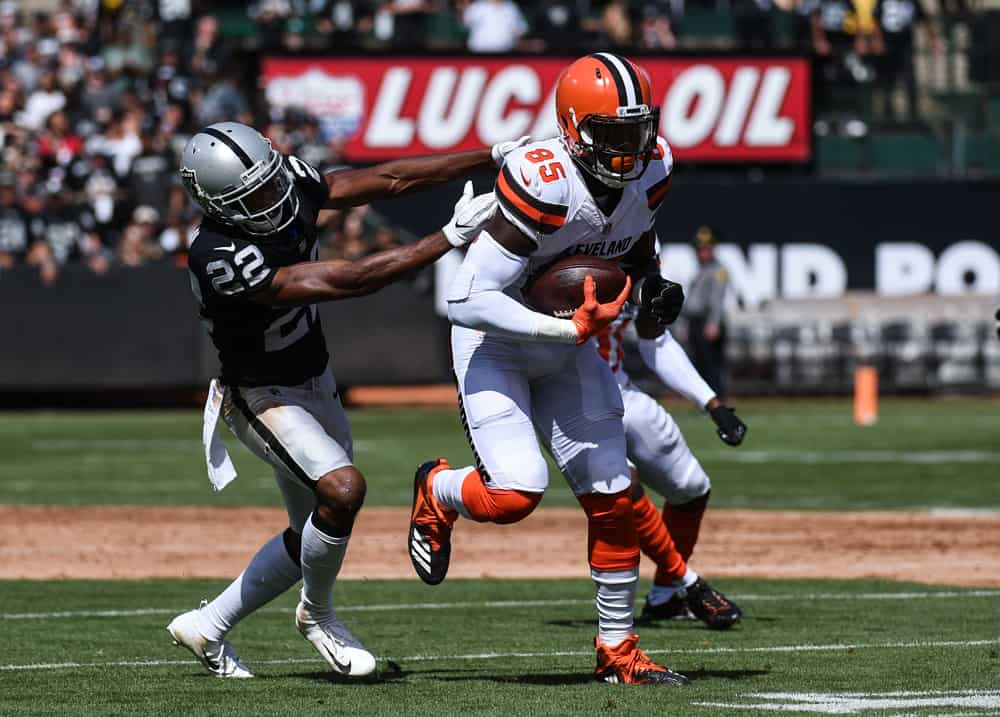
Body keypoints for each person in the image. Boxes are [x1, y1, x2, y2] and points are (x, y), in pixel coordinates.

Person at [167, 121, 520, 679]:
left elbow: (392, 177)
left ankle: (208, 626)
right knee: (343, 489)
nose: (271, 198)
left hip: (314, 375)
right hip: (261, 395)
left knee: (316, 523)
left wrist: (491, 154)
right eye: (251, 195)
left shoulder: (286, 181)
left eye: (268, 182)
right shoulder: (219, 254)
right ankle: (319, 614)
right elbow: (350, 280)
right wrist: (448, 238)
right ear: (217, 204)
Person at [408, 53, 690, 685]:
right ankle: (438, 490)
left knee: (613, 496)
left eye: (636, 132)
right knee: (514, 495)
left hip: (568, 342)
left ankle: (618, 651)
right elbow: (464, 299)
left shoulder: (655, 169)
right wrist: (567, 328)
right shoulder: (544, 180)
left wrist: (652, 283)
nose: (627, 150)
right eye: (611, 135)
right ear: (570, 128)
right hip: (497, 343)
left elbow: (635, 237)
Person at [595, 307, 747, 628]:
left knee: (691, 488)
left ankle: (664, 597)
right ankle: (689, 583)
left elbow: (655, 338)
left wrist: (712, 404)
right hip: (561, 394)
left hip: (617, 387)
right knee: (623, 489)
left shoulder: (643, 257)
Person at [682, 226, 730, 399]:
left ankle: (717, 400)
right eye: (699, 249)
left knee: (711, 365)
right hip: (696, 322)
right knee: (700, 364)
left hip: (707, 323)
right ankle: (705, 400)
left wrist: (713, 324)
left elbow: (717, 301)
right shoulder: (702, 270)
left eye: (706, 249)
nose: (702, 253)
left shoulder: (719, 271)